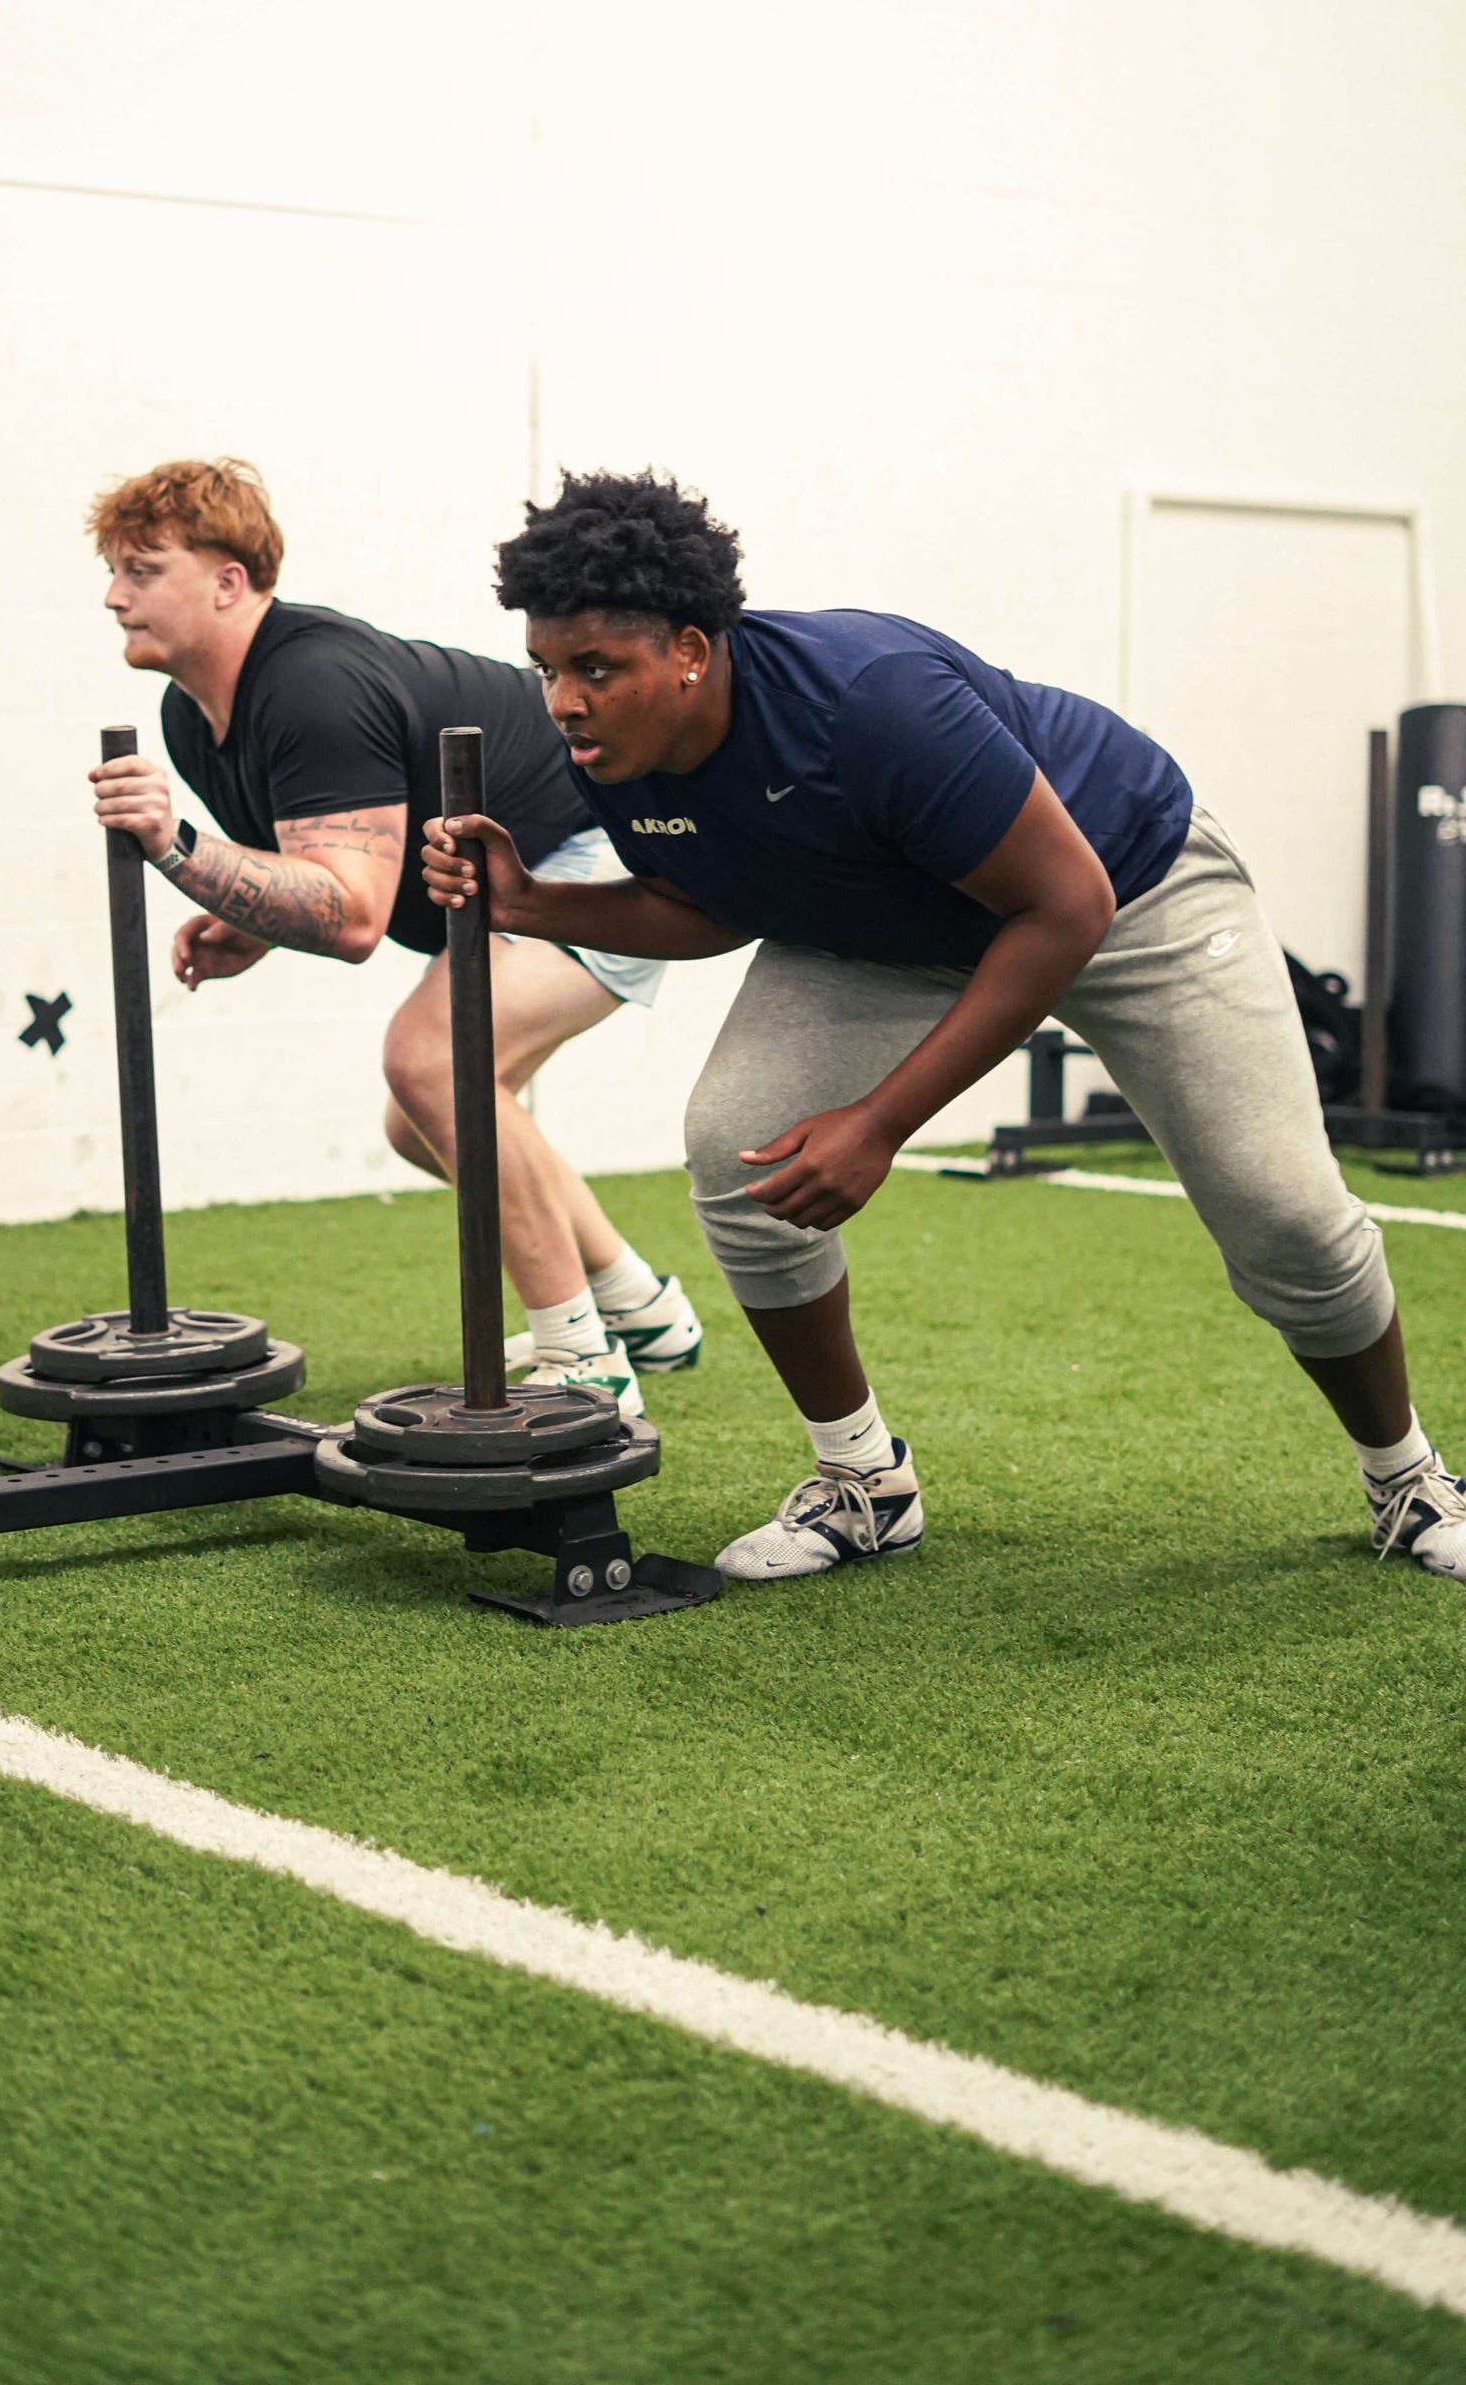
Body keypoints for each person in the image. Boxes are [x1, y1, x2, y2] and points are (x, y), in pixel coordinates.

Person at [422, 466, 1466, 1587]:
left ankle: (1409, 1480)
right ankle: (863, 1484)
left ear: (689, 649)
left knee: (1282, 1211)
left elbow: (1064, 909)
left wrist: (879, 1121)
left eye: (594, 669)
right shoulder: (615, 753)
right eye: (547, 670)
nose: (564, 701)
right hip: (891, 923)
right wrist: (534, 903)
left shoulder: (869, 700)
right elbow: (713, 900)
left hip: (1127, 885)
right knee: (740, 1152)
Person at [84, 458, 702, 1416]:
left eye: (143, 569)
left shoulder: (309, 685)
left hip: (604, 853)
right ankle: (639, 1306)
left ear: (228, 581)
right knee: (421, 1119)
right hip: (513, 880)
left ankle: (583, 1359)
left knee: (433, 1059)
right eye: (116, 571)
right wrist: (254, 920)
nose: (116, 596)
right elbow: (322, 864)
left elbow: (356, 916)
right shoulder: (194, 715)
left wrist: (180, 846)